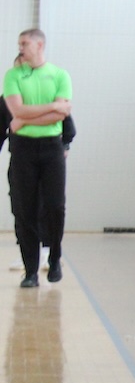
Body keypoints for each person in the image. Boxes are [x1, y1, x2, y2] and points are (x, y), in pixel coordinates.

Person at [4, 29, 73, 287]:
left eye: (25, 43)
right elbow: (17, 110)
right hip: (23, 150)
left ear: (40, 45)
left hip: (52, 148)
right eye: (19, 43)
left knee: (55, 206)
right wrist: (53, 106)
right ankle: (30, 271)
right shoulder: (13, 75)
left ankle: (54, 258)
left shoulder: (60, 75)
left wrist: (27, 118)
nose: (21, 47)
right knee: (25, 210)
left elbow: (60, 116)